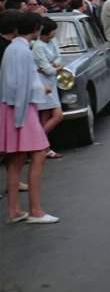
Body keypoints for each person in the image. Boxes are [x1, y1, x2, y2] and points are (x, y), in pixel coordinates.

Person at [2, 12, 58, 224]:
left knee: (16, 160)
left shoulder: (13, 49)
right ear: (36, 29)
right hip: (22, 109)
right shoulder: (23, 51)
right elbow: (21, 86)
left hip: (13, 108)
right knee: (38, 155)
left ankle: (15, 210)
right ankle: (36, 210)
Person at [31, 18, 64, 160]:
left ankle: (44, 148)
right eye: (53, 30)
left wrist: (54, 66)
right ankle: (36, 143)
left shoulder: (52, 42)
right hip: (42, 83)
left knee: (45, 117)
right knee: (57, 115)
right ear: (46, 32)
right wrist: (54, 68)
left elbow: (58, 57)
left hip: (51, 83)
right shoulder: (38, 46)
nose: (54, 33)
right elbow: (47, 69)